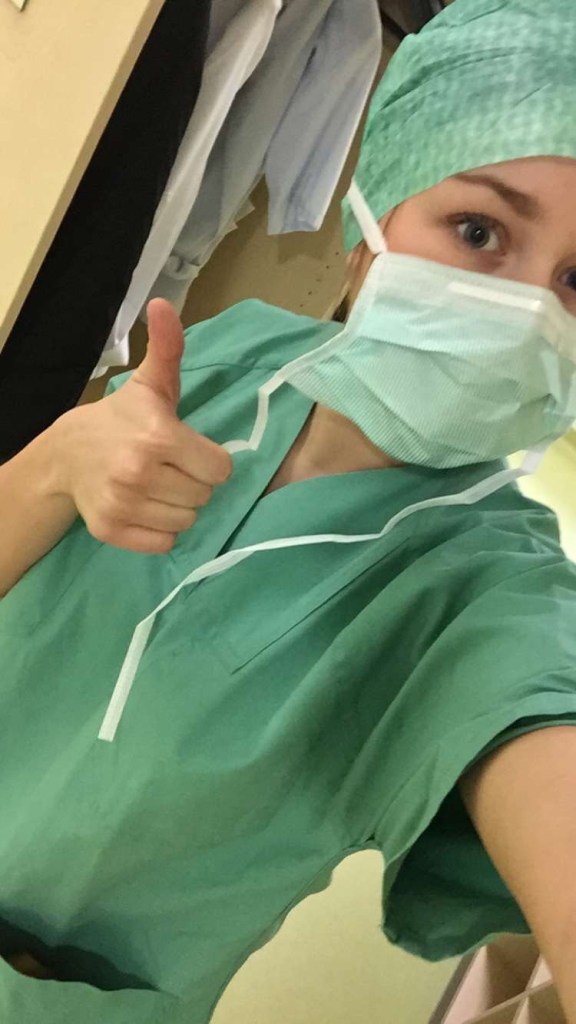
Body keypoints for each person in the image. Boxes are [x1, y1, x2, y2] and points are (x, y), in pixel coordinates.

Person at [2, 0, 576, 1020]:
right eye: (479, 231)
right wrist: (54, 464)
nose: (530, 307)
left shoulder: (497, 593)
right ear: (372, 226)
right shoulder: (229, 352)